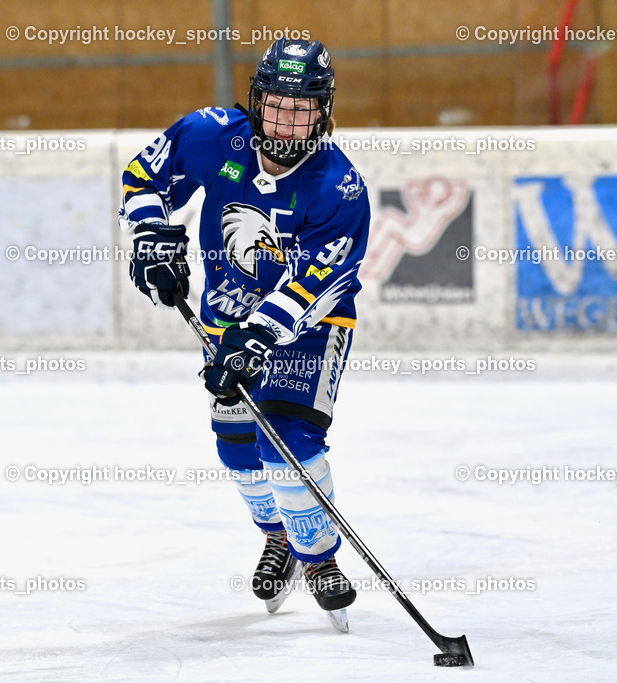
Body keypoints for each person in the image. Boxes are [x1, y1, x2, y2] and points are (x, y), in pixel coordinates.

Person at [118, 38, 369, 618]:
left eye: (302, 107)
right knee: (236, 448)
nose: (287, 120)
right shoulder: (211, 135)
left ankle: (319, 556)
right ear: (257, 100)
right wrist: (153, 237)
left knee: (287, 443)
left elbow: (320, 281)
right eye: (277, 103)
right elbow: (144, 177)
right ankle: (277, 538)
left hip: (309, 329)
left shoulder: (338, 186)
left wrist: (257, 336)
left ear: (324, 111)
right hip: (225, 316)